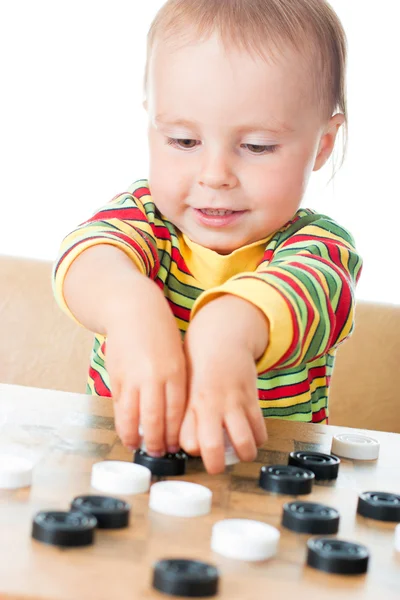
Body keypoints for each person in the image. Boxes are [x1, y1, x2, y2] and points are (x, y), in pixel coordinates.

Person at [52, 0, 362, 474]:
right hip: (124, 474)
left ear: (321, 144)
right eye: (183, 140)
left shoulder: (321, 248)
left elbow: (312, 294)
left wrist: (227, 330)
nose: (215, 175)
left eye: (257, 146)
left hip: (264, 487)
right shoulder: (144, 218)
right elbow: (86, 258)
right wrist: (130, 306)